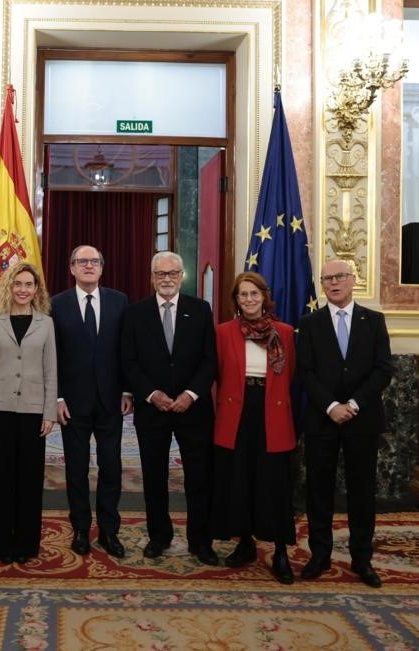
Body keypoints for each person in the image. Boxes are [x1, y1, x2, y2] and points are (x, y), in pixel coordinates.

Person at [297, 259, 394, 588]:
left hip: (361, 419)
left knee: (362, 493)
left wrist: (351, 404)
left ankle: (362, 559)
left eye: (340, 276)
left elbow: (383, 370)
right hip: (322, 420)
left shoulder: (374, 321)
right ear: (322, 285)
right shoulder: (309, 324)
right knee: (318, 491)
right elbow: (305, 372)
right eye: (328, 278)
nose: (334, 282)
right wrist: (330, 406)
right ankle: (319, 555)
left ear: (353, 280)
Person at [121, 251, 218, 565]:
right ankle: (158, 537)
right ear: (152, 277)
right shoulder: (135, 313)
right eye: (160, 274)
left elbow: (210, 360)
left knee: (199, 478)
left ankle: (200, 541)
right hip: (153, 411)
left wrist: (191, 394)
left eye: (172, 273)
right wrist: (150, 394)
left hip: (194, 410)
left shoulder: (200, 310)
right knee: (154, 477)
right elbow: (128, 361)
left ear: (181, 276)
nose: (166, 279)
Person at [212, 272, 297, 584]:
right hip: (236, 412)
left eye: (253, 294)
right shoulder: (223, 332)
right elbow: (218, 373)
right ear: (236, 300)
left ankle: (280, 551)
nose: (248, 300)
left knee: (273, 484)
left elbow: (292, 376)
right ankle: (245, 543)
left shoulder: (285, 333)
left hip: (272, 412)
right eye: (242, 295)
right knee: (240, 479)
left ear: (264, 296)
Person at [50, 245, 131, 558]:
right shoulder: (57, 304)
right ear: (71, 268)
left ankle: (110, 531)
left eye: (94, 261)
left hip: (111, 400)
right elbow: (52, 354)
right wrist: (57, 396)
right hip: (72, 403)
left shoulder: (119, 301)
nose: (88, 266)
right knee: (76, 470)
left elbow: (126, 349)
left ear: (102, 267)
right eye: (81, 262)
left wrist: (126, 390)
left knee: (111, 468)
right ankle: (81, 530)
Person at [0, 261, 58, 564]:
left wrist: (49, 412)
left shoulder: (46, 323)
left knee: (29, 477)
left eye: (29, 284)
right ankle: (0, 543)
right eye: (18, 284)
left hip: (34, 411)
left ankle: (25, 544)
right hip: (0, 408)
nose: (23, 289)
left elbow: (52, 371)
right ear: (8, 287)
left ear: (37, 290)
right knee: (1, 478)